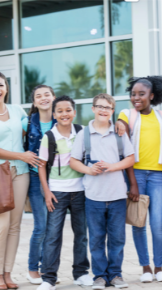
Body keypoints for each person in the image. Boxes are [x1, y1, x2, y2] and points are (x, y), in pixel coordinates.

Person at [70, 93, 135, 289]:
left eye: (107, 107)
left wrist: (113, 166)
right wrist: (89, 170)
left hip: (116, 195)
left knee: (117, 238)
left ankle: (115, 275)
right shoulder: (84, 134)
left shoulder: (119, 133)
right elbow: (73, 161)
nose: (103, 110)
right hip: (93, 196)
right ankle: (99, 276)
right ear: (93, 109)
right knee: (97, 238)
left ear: (112, 111)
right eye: (99, 106)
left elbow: (130, 159)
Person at [118, 76, 162, 283]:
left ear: (152, 96)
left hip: (159, 175)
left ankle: (159, 267)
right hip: (136, 174)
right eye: (133, 94)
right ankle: (145, 268)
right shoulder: (126, 114)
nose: (136, 98)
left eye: (141, 94)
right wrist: (131, 183)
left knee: (158, 223)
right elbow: (120, 129)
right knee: (139, 223)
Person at [37, 96, 92, 290]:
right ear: (54, 115)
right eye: (59, 111)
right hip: (57, 193)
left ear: (74, 112)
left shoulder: (83, 132)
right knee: (52, 235)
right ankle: (48, 279)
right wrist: (47, 192)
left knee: (81, 234)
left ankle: (81, 274)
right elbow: (42, 166)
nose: (64, 114)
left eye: (68, 110)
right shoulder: (49, 137)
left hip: (81, 191)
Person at [0, 72, 40, 290]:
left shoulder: (16, 110)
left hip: (21, 173)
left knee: (15, 226)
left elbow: (35, 129)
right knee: (2, 226)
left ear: (6, 87)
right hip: (0, 174)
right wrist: (21, 155)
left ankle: (8, 274)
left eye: (1, 85)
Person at [22, 85, 57, 285]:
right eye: (38, 96)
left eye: (46, 94)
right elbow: (18, 147)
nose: (43, 98)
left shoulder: (60, 121)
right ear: (34, 102)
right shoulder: (26, 123)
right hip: (35, 179)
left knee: (52, 228)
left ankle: (48, 269)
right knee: (41, 226)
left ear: (53, 97)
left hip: (56, 179)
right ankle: (32, 268)